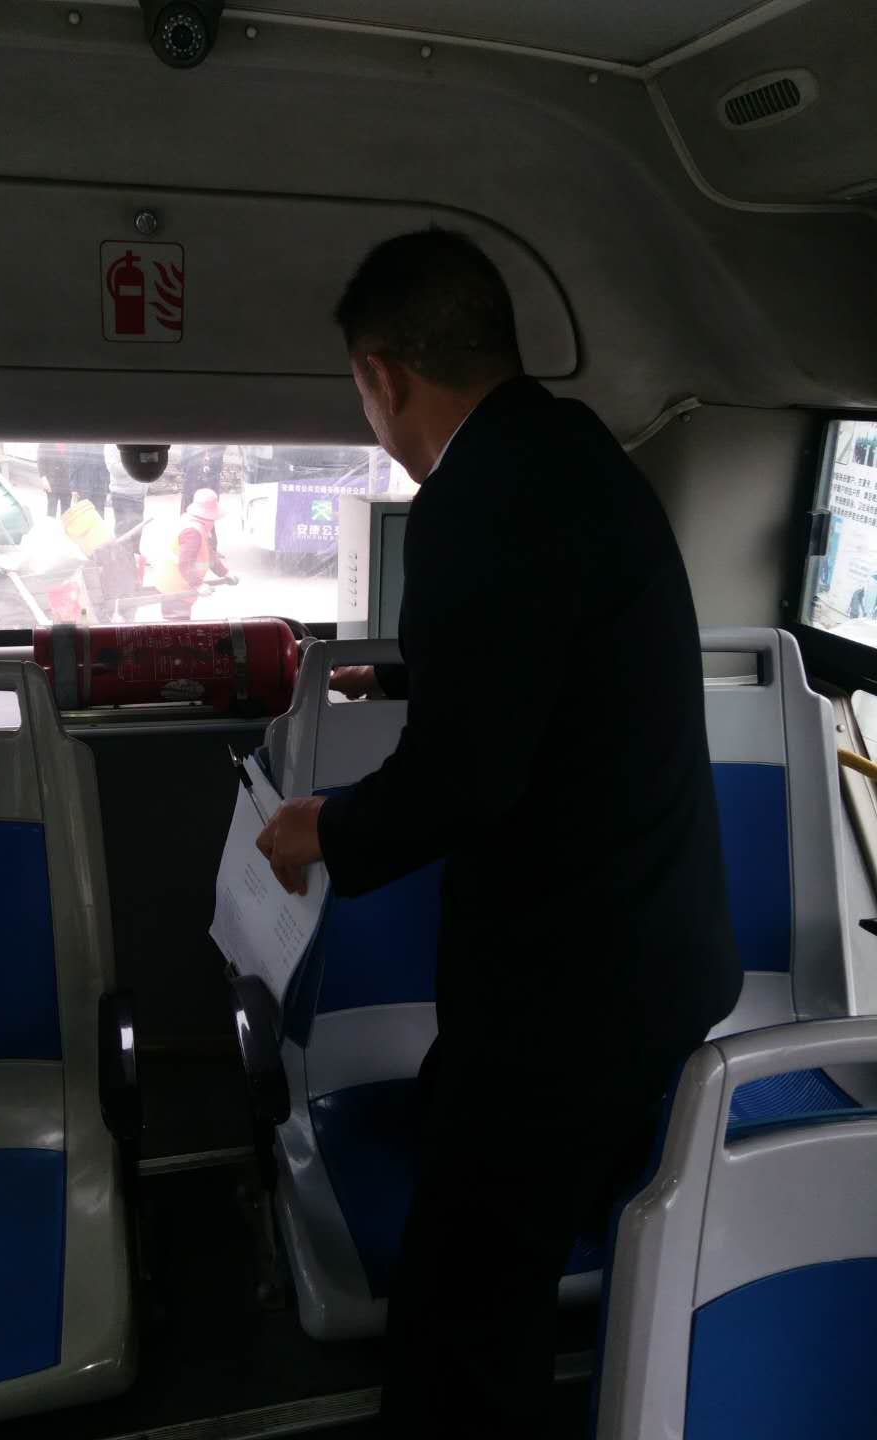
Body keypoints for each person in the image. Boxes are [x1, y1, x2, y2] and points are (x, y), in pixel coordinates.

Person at [256, 229, 742, 1436]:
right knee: (490, 1188)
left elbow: (466, 783)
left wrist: (327, 830)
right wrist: (409, 680)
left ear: (383, 377)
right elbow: (546, 667)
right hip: (657, 964)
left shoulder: (469, 504)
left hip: (569, 1001)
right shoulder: (576, 453)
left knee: (462, 1314)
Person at [141, 487, 236, 621]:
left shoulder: (192, 523)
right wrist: (198, 584)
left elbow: (208, 554)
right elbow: (186, 563)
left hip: (176, 581)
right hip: (176, 586)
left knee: (178, 623)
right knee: (178, 624)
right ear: (209, 518)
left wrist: (225, 573)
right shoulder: (193, 533)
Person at [66, 443, 110, 518]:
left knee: (99, 516)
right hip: (83, 486)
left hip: (100, 487)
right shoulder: (78, 443)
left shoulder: (103, 444)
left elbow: (107, 467)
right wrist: (74, 488)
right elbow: (72, 466)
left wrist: (108, 489)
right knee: (84, 516)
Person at [37, 441, 71, 518]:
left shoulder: (71, 441)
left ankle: (63, 526)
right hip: (52, 483)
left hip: (67, 483)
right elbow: (40, 461)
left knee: (66, 512)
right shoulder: (46, 442)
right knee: (51, 511)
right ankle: (50, 525)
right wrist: (43, 478)